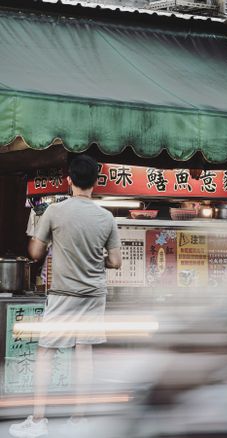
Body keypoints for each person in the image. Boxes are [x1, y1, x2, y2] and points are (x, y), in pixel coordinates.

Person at [9, 155, 122, 438]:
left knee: (46, 353)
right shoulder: (106, 217)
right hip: (94, 295)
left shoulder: (55, 212)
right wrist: (96, 260)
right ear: (96, 183)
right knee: (84, 354)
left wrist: (44, 244)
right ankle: (78, 419)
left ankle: (38, 420)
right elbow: (116, 262)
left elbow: (35, 253)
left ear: (69, 181)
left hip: (62, 295)